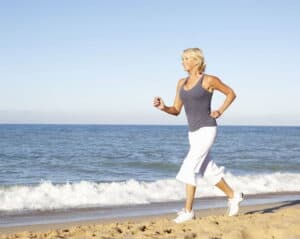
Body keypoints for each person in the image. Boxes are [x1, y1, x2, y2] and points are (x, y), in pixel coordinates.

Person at [153, 48, 244, 223]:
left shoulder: (209, 80)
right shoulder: (181, 83)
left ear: (196, 61)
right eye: (182, 58)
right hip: (193, 133)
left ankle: (188, 211)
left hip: (207, 129)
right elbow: (176, 110)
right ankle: (233, 196)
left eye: (186, 59)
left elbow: (231, 93)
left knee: (189, 166)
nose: (183, 62)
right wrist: (163, 107)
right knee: (207, 170)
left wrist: (220, 111)